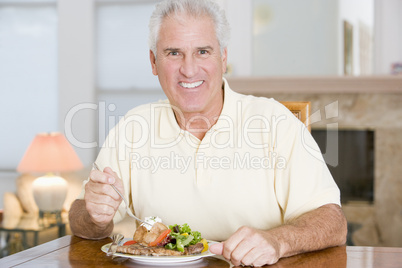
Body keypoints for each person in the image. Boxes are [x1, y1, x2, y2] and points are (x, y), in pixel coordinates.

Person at [69, 0, 347, 266]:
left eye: (203, 51)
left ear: (223, 58)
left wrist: (277, 241)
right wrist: (95, 216)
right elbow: (81, 217)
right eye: (173, 53)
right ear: (153, 62)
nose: (189, 70)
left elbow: (333, 222)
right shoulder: (133, 126)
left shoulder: (276, 122)